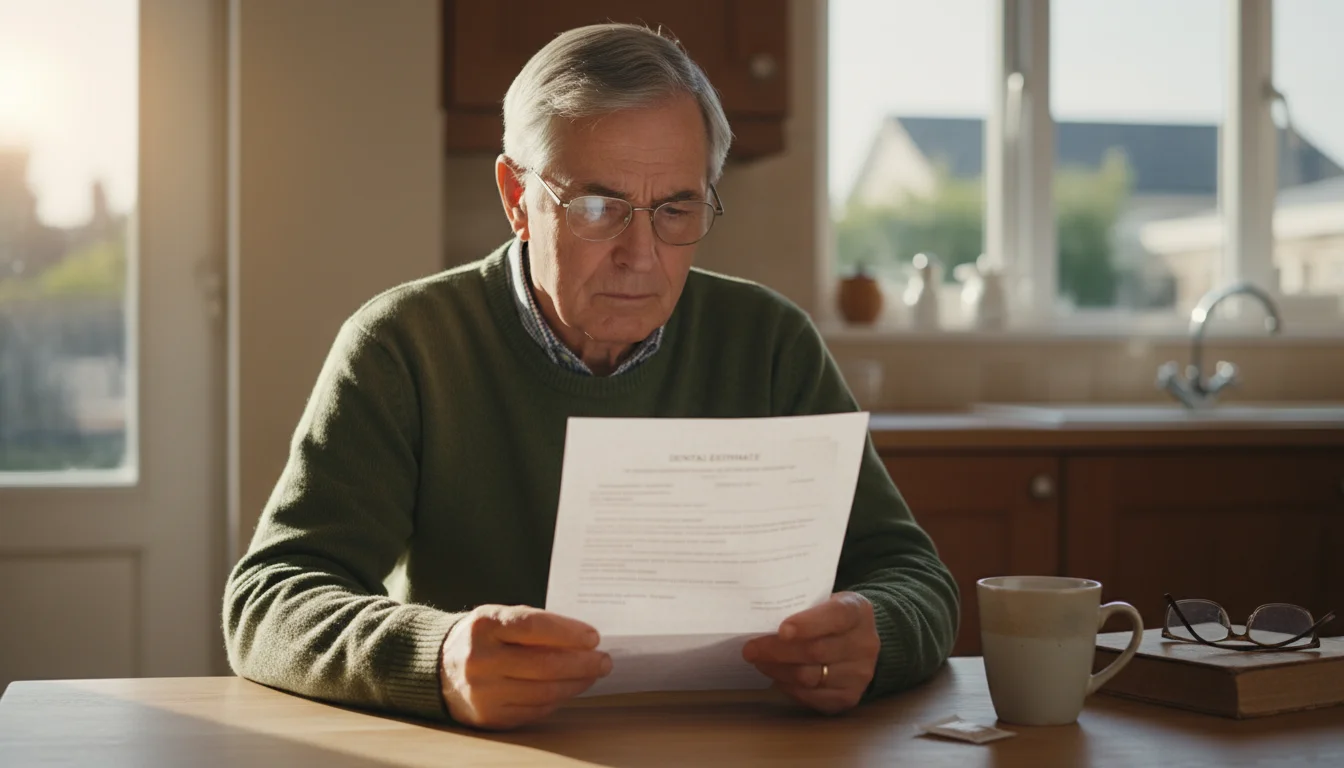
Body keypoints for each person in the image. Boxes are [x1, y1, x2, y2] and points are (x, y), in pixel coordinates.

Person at [223, 23, 958, 731]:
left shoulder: (769, 344)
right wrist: (440, 658)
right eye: (599, 207)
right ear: (517, 198)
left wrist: (873, 633)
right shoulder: (403, 347)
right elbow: (268, 602)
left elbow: (915, 578)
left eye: (676, 209)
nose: (642, 254)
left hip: (737, 748)